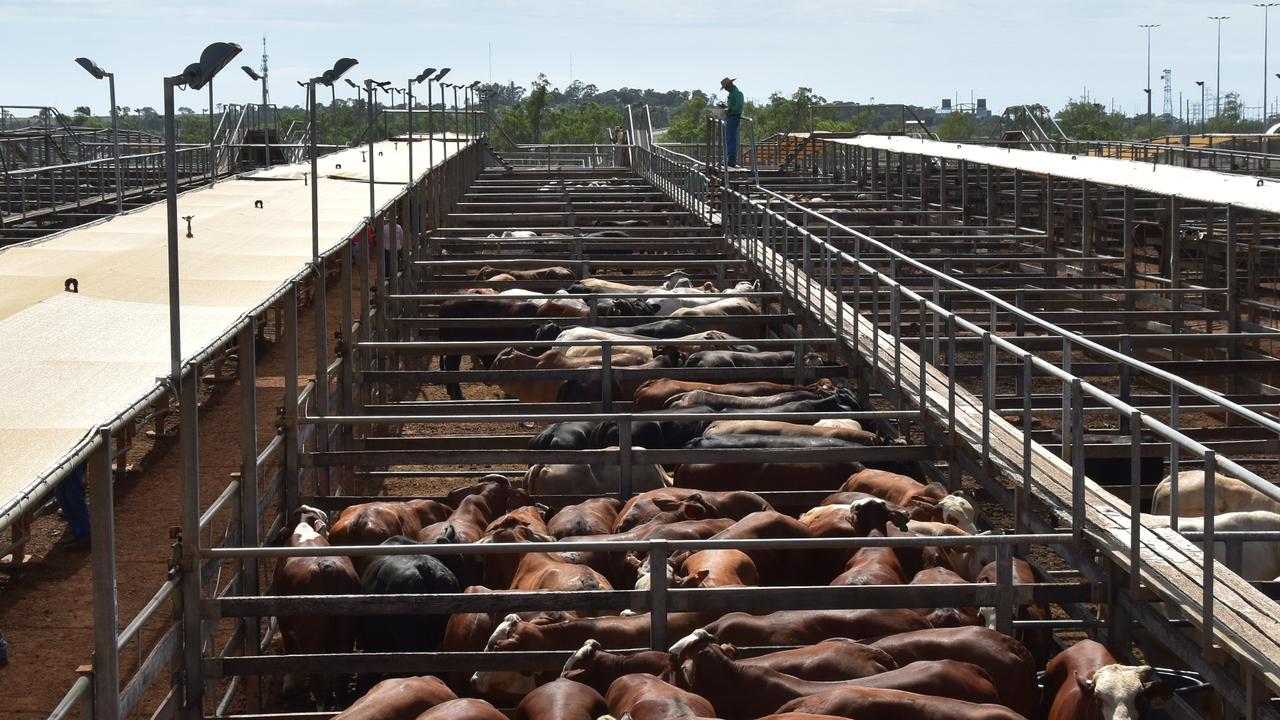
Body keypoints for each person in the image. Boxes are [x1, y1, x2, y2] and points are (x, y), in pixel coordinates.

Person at [54, 461, 90, 548]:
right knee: (61, 495)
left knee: (74, 495)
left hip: (71, 456)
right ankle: (79, 532)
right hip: (59, 456)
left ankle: (85, 536)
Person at [719, 77, 745, 166]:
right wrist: (725, 107)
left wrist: (729, 109)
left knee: (731, 139)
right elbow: (734, 105)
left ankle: (731, 161)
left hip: (734, 118)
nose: (725, 89)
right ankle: (728, 159)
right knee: (728, 139)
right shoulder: (732, 94)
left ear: (730, 85)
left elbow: (739, 107)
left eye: (726, 87)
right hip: (730, 117)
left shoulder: (738, 93)